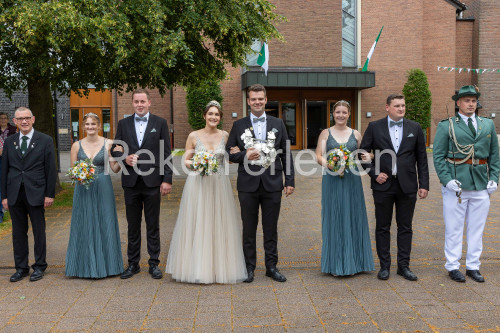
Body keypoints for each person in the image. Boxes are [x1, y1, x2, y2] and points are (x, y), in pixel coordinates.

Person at [166, 101, 247, 284]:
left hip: (219, 184)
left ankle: (218, 268)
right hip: (198, 183)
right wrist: (197, 164)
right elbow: (185, 160)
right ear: (204, 116)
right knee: (198, 222)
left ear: (220, 117)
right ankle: (196, 268)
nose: (213, 117)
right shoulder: (193, 136)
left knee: (218, 222)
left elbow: (231, 159)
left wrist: (236, 152)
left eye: (216, 115)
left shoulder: (226, 135)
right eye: (210, 114)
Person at [226, 84, 295, 283]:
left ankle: (271, 267)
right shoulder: (239, 125)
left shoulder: (278, 123)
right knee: (248, 228)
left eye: (260, 98)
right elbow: (228, 153)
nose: (257, 102)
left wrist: (289, 180)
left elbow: (286, 154)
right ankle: (249, 267)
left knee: (270, 227)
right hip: (247, 185)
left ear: (266, 100)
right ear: (248, 101)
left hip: (273, 183)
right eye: (253, 99)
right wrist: (244, 155)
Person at [433, 85, 499, 283]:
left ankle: (473, 266)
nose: (471, 104)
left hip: (480, 184)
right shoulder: (447, 125)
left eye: (473, 101)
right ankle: (453, 265)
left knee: (476, 229)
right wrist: (446, 180)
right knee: (454, 228)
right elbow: (438, 156)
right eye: (467, 101)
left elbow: (494, 155)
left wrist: (494, 178)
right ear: (458, 103)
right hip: (457, 184)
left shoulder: (487, 124)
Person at [360, 94, 429, 281]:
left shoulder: (415, 128)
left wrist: (424, 184)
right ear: (387, 107)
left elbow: (422, 158)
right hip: (383, 185)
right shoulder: (374, 127)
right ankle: (384, 267)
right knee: (383, 226)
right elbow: (362, 154)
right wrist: (374, 174)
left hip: (407, 185)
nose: (401, 108)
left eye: (403, 106)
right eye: (397, 105)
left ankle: (404, 266)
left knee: (405, 227)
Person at [111, 88, 172, 280]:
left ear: (149, 102)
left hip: (153, 181)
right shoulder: (123, 123)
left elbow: (166, 153)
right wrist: (123, 157)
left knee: (153, 224)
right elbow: (114, 148)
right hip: (131, 182)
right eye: (136, 101)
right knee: (133, 225)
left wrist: (167, 179)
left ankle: (154, 263)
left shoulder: (160, 123)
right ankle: (133, 264)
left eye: (142, 101)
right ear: (132, 103)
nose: (139, 105)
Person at [315, 100, 374, 276]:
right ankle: (336, 264)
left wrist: (368, 155)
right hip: (332, 180)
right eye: (337, 112)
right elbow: (318, 155)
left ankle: (355, 262)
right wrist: (329, 164)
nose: (341, 115)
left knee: (353, 216)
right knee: (334, 216)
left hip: (352, 180)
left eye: (344, 112)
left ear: (349, 114)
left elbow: (367, 152)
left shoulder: (355, 134)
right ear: (333, 114)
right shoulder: (326, 133)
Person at [65, 113, 124, 279]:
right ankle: (81, 266)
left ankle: (109, 265)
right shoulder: (76, 146)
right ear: (83, 127)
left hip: (103, 185)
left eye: (93, 124)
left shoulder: (109, 143)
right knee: (83, 222)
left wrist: (120, 156)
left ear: (99, 126)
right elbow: (71, 172)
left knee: (105, 220)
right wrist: (79, 173)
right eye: (87, 124)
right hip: (83, 187)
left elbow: (114, 169)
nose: (90, 127)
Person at [1, 107, 56, 282]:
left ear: (33, 119)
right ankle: (21, 267)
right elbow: (4, 170)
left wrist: (49, 194)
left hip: (37, 192)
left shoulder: (45, 140)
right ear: (15, 122)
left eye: (27, 118)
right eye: (20, 119)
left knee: (39, 231)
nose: (24, 121)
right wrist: (4, 195)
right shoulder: (10, 142)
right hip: (15, 193)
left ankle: (39, 266)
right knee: (18, 233)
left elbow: (50, 169)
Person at [0, 112, 17, 223]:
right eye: (1, 118)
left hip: (10, 159)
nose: (3, 120)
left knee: (10, 183)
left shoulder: (13, 130)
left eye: (5, 118)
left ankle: (12, 207)